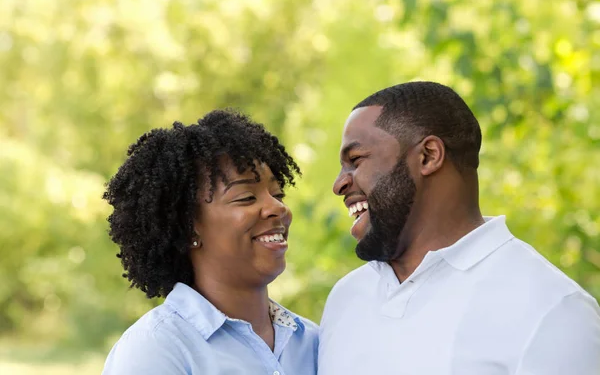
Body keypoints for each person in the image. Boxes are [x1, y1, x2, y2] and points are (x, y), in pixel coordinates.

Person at [318, 81, 600, 375]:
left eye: (355, 160)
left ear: (428, 155)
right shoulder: (346, 299)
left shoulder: (554, 309)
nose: (339, 184)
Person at [101, 109, 318, 375]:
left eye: (278, 194)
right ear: (189, 228)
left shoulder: (314, 342)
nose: (277, 208)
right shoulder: (156, 350)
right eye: (246, 197)